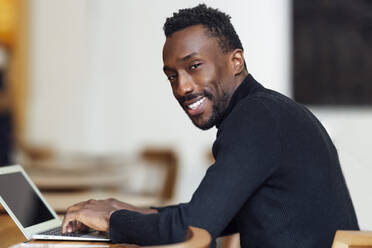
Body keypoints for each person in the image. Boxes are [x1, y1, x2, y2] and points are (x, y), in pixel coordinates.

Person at [62, 4, 359, 247]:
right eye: (172, 76)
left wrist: (112, 221)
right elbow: (213, 215)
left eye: (193, 66)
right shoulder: (270, 111)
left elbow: (194, 230)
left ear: (236, 61)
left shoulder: (256, 118)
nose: (182, 87)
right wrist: (129, 210)